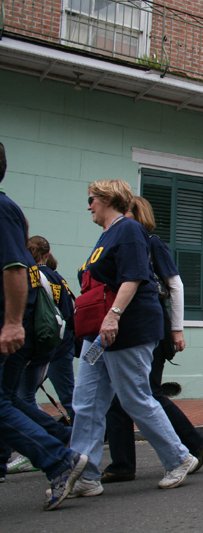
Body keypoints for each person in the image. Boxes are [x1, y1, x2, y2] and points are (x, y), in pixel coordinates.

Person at [69, 180, 198, 496]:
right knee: (86, 401)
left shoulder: (128, 229)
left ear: (106, 198)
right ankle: (84, 474)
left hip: (127, 328)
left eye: (91, 199)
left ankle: (179, 458)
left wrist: (113, 315)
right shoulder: (107, 234)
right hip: (100, 332)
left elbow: (134, 276)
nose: (89, 206)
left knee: (134, 397)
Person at [0, 141, 89, 509]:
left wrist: (12, 323)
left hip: (32, 337)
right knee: (12, 400)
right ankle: (62, 441)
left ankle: (60, 456)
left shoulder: (2, 210)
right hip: (39, 340)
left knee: (14, 400)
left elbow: (15, 271)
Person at [101, 196, 203, 484]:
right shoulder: (119, 242)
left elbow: (175, 284)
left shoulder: (151, 242)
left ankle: (193, 442)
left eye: (123, 211)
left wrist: (177, 329)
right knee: (122, 396)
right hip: (129, 323)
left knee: (146, 392)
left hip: (150, 324)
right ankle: (123, 462)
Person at [16, 237, 75, 422]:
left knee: (23, 398)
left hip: (45, 343)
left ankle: (60, 434)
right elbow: (68, 312)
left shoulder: (33, 276)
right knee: (25, 396)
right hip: (59, 341)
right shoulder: (56, 277)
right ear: (47, 254)